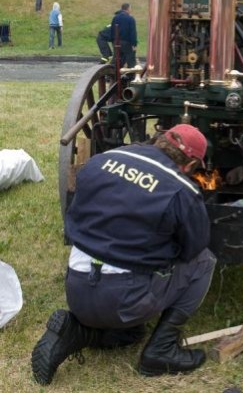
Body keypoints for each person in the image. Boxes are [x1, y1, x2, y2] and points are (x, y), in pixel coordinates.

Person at [31, 124, 215, 385]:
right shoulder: (182, 190)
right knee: (205, 261)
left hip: (76, 289)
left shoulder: (100, 161)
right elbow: (193, 248)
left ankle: (77, 331)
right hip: (124, 301)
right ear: (191, 163)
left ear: (160, 139)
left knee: (131, 333)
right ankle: (161, 351)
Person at [111, 3, 137, 68]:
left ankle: (115, 75)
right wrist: (134, 44)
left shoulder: (115, 18)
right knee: (131, 60)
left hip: (116, 42)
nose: (131, 10)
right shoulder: (130, 18)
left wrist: (113, 41)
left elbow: (112, 30)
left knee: (117, 59)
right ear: (128, 9)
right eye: (130, 8)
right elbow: (133, 32)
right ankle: (131, 76)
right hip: (126, 43)